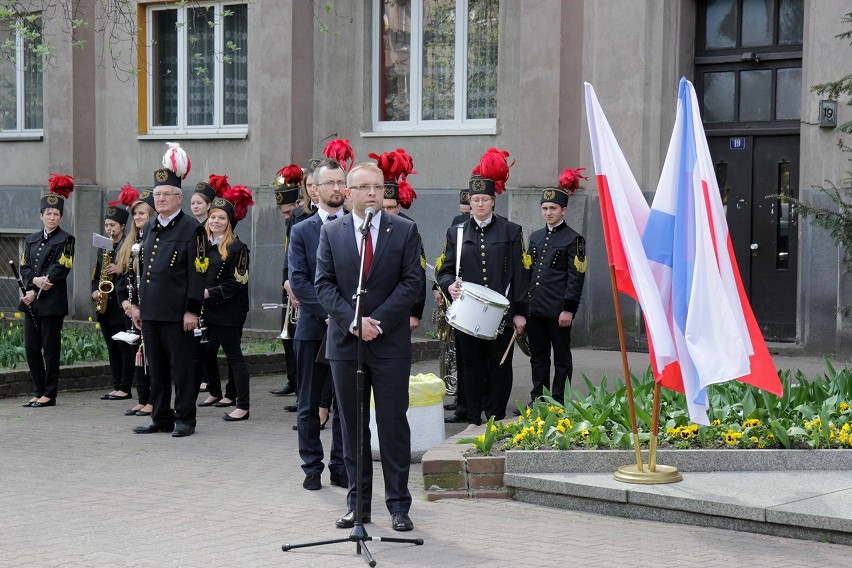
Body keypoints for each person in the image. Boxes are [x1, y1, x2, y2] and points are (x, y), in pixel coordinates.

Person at [315, 161, 425, 532]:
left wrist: (376, 322)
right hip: (347, 346)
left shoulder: (404, 230)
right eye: (365, 188)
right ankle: (358, 506)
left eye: (378, 187)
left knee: (392, 424)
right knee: (352, 428)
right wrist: (353, 322)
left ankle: (398, 506)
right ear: (348, 194)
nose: (374, 193)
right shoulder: (332, 232)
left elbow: (411, 283)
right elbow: (323, 284)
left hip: (389, 342)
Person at [436, 148, 529, 425]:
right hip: (469, 313)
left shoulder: (511, 231)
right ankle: (474, 418)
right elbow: (445, 269)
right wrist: (448, 286)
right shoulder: (457, 231)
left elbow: (520, 273)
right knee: (471, 366)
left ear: (493, 201)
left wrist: (519, 312)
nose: (479, 204)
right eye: (475, 199)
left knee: (499, 364)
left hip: (501, 312)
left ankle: (496, 415)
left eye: (484, 199)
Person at [131, 142, 206, 438]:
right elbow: (142, 271)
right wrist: (137, 305)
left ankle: (185, 418)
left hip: (178, 314)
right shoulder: (149, 228)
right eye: (157, 195)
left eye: (166, 195)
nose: (160, 200)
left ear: (180, 197)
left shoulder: (192, 229)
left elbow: (199, 272)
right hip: (151, 312)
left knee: (183, 369)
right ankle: (160, 417)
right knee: (157, 369)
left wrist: (192, 309)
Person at [289, 158, 348, 491]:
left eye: (342, 182)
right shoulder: (301, 230)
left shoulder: (357, 225)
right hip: (315, 328)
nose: (337, 188)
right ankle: (312, 465)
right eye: (330, 183)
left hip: (349, 330)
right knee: (310, 402)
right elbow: (299, 280)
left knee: (343, 402)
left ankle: (340, 465)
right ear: (315, 190)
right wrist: (330, 314)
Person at [523, 168, 587, 408]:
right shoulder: (536, 237)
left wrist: (569, 309)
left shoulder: (574, 239)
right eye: (545, 208)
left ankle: (558, 399)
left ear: (564, 210)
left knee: (561, 358)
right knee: (538, 357)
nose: (548, 212)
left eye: (553, 208)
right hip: (536, 308)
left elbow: (576, 277)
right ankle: (538, 397)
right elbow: (530, 273)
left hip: (558, 311)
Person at [197, 186, 254, 421]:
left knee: (233, 356)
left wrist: (209, 293)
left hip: (229, 310)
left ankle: (242, 405)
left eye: (221, 218)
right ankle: (214, 391)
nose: (216, 221)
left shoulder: (237, 248)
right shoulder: (202, 244)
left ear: (229, 222)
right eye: (213, 217)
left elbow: (236, 283)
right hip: (207, 309)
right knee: (206, 351)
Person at [20, 174, 76, 409]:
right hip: (32, 301)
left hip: (52, 303)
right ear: (41, 215)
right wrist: (33, 282)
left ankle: (49, 394)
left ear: (60, 217)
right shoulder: (31, 239)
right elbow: (24, 267)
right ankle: (38, 390)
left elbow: (62, 267)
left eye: (56, 214)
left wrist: (44, 281)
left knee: (51, 349)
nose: (52, 217)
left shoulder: (67, 239)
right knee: (31, 347)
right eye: (48, 214)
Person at [373, 148, 425, 331]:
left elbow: (417, 271)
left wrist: (414, 311)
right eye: (383, 208)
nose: (386, 212)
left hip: (400, 305)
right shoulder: (367, 225)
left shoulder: (409, 228)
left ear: (399, 206)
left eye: (391, 207)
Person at [93, 186, 137, 402]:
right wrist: (95, 289)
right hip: (105, 302)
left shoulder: (129, 245)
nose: (109, 229)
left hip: (121, 302)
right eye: (106, 225)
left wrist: (120, 268)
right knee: (112, 346)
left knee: (124, 346)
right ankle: (115, 384)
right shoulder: (104, 246)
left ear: (122, 226)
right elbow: (96, 271)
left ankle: (125, 387)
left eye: (112, 225)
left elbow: (137, 270)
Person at [115, 189, 156, 417]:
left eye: (142, 213)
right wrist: (125, 303)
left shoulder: (153, 240)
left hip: (149, 307)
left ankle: (152, 400)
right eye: (136, 214)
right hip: (131, 308)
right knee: (137, 354)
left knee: (149, 355)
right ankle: (142, 399)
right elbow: (121, 278)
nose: (138, 217)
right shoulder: (129, 243)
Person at [269, 164, 305, 400]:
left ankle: (302, 385)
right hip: (289, 285)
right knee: (288, 337)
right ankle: (293, 380)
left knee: (300, 341)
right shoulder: (290, 223)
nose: (286, 217)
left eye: (288, 211)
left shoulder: (301, 221)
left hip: (301, 286)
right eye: (283, 212)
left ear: (298, 204)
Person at [439, 189, 472, 424]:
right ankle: (463, 402)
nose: (466, 215)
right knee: (461, 357)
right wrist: (441, 286)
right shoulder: (457, 227)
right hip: (461, 299)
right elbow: (445, 261)